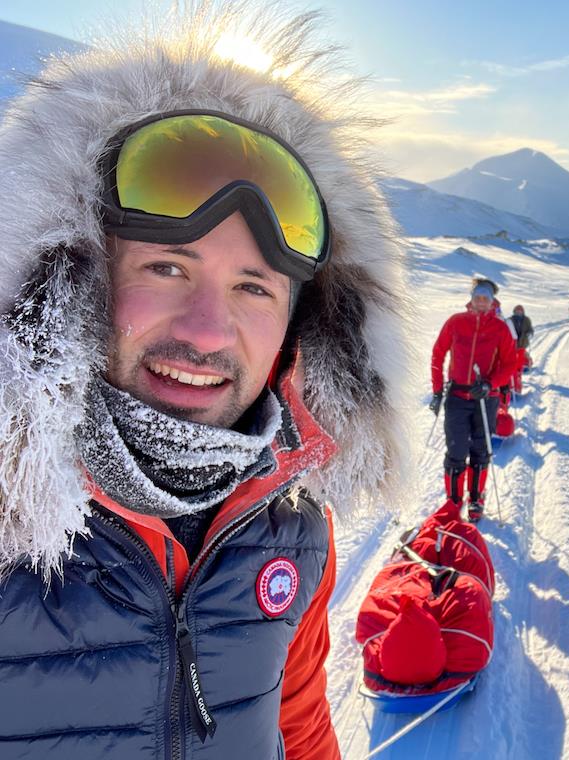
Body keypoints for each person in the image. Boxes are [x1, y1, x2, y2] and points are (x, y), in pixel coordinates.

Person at [0, 6, 409, 760]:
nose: (206, 333)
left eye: (254, 288)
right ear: (74, 284)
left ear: (301, 327)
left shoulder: (289, 526)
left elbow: (299, 726)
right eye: (166, 267)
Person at [430, 278, 517, 522]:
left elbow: (511, 363)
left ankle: (476, 498)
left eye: (486, 298)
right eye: (478, 296)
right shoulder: (456, 322)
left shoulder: (500, 329)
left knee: (480, 450)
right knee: (456, 450)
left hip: (485, 399)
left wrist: (491, 383)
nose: (481, 301)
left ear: (492, 302)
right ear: (471, 297)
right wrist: (437, 391)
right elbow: (438, 353)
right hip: (457, 397)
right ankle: (453, 500)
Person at [509, 305, 534, 392]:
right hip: (512, 346)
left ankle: (518, 383)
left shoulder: (527, 320)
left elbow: (530, 329)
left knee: (519, 364)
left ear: (523, 312)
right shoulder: (510, 320)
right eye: (517, 311)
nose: (518, 313)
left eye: (520, 311)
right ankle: (514, 384)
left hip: (522, 345)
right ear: (514, 312)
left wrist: (529, 333)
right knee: (512, 365)